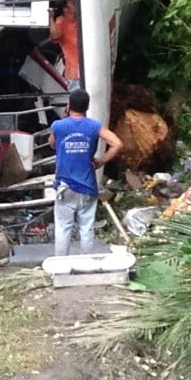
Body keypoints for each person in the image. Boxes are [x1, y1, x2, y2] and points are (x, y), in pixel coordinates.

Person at [49, 89, 123, 256]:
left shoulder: (58, 126)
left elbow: (52, 144)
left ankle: (61, 265)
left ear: (69, 105)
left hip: (65, 186)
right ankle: (87, 265)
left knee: (62, 228)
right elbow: (117, 144)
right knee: (87, 228)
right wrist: (101, 160)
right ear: (87, 107)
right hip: (88, 186)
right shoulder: (95, 126)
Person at [49, 0, 80, 90]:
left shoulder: (78, 19)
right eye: (73, 4)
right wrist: (51, 18)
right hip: (74, 71)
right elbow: (55, 35)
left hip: (86, 67)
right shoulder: (61, 22)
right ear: (65, 9)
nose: (76, 5)